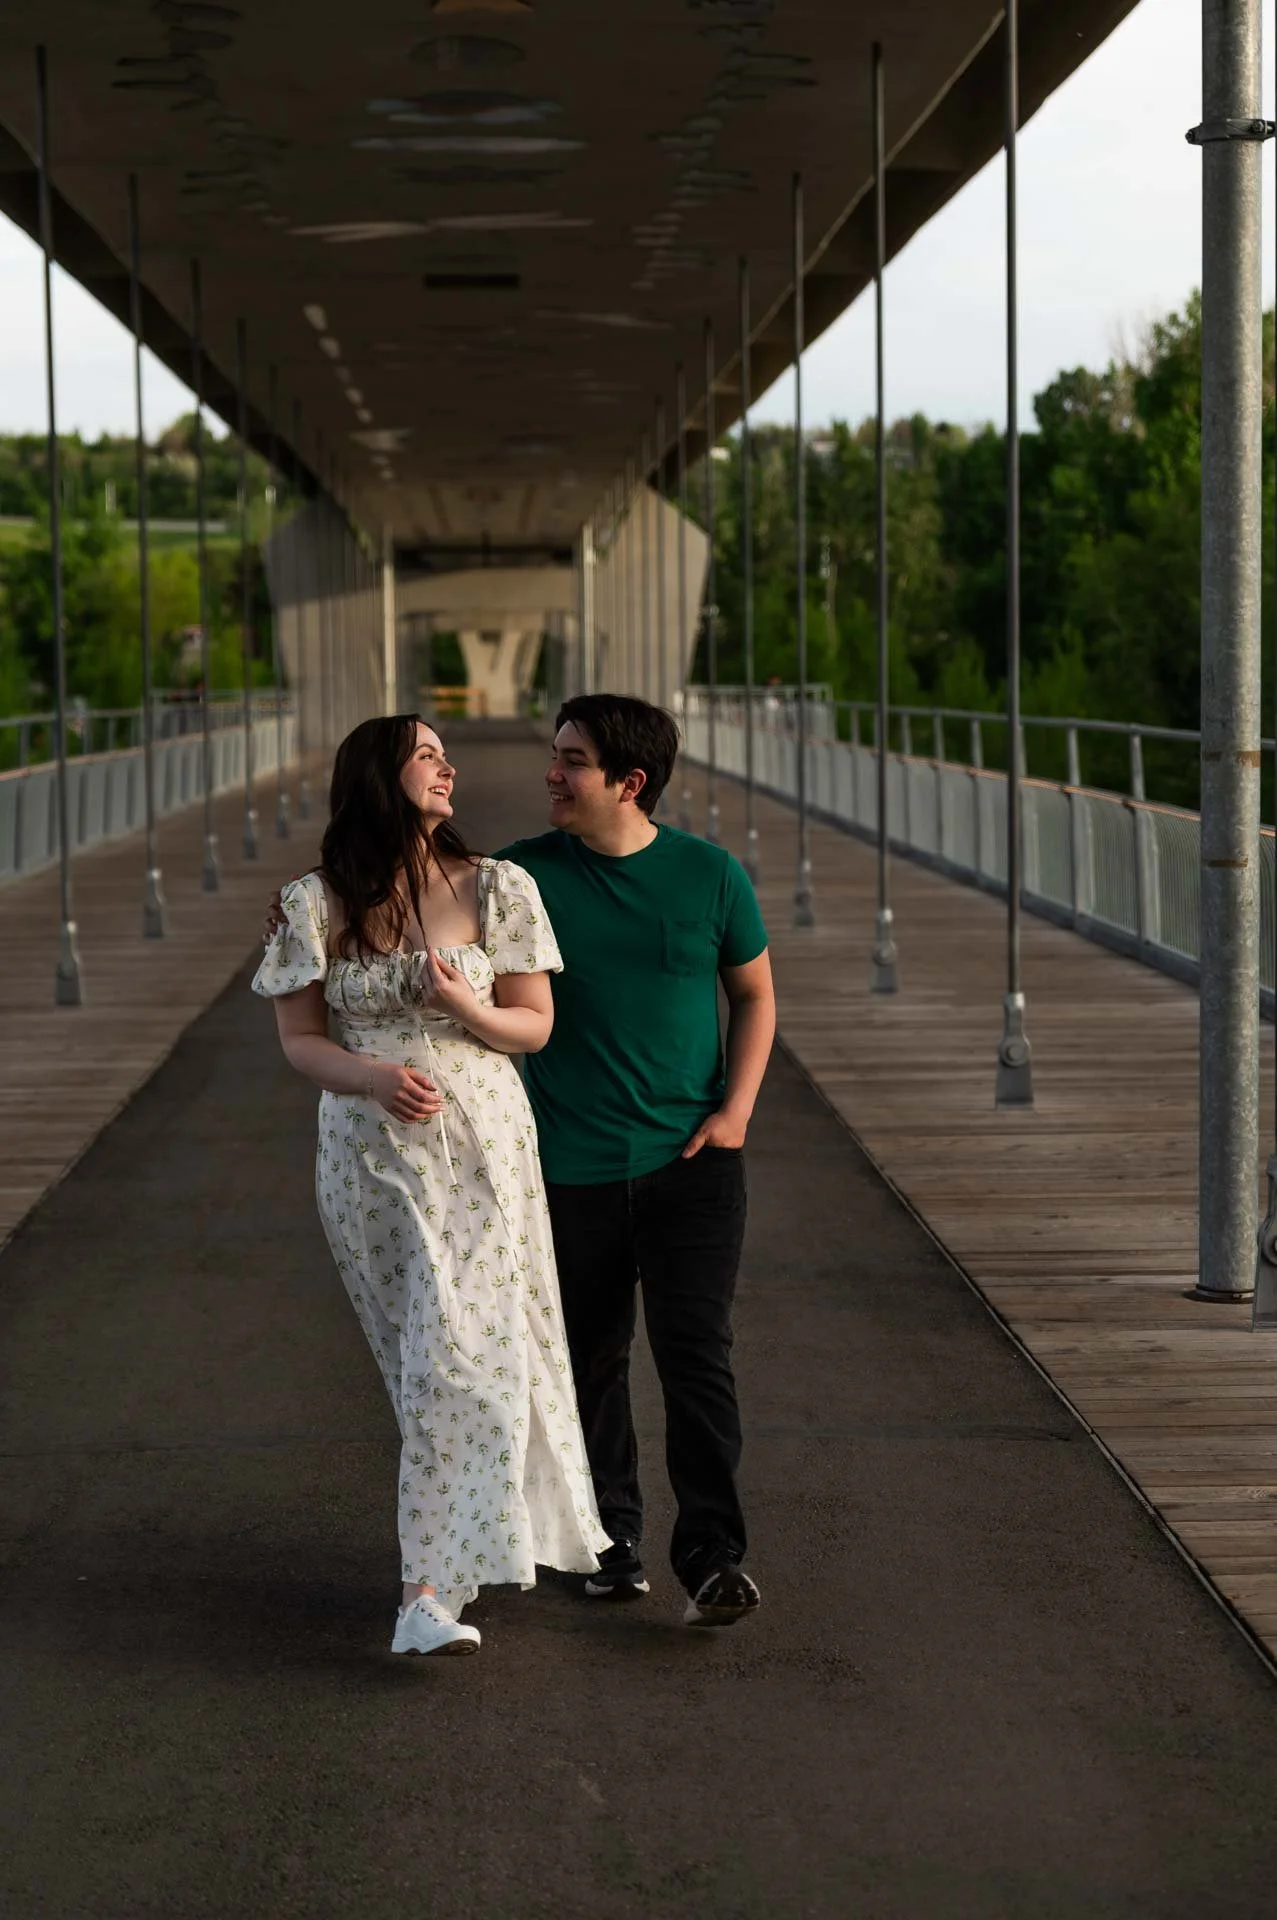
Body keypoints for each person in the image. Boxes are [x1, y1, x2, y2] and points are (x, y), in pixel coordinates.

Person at [252, 714, 608, 1657]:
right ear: (380, 775)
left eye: (447, 755)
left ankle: (424, 1595)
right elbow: (300, 1040)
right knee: (426, 1361)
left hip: (485, 1147)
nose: (448, 768)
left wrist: (464, 1005)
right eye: (427, 755)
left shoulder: (498, 886)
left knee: (465, 1353)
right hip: (369, 1156)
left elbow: (534, 1025)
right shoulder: (313, 901)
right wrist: (372, 1077)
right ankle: (452, 1565)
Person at [494, 694, 775, 1627]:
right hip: (566, 1168)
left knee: (696, 1358)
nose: (552, 772)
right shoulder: (517, 878)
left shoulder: (709, 875)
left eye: (572, 760)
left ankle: (711, 1559)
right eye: (555, 754)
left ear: (630, 781)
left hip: (691, 1164)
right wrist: (308, 905)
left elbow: (753, 994)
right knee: (587, 1361)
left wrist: (735, 1112)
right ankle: (608, 1542)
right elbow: (407, 894)